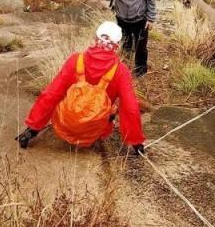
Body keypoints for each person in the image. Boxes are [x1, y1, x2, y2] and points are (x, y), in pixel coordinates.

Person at [15, 21, 145, 154]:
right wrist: (136, 142)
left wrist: (32, 129)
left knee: (59, 94)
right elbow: (130, 107)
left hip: (66, 125)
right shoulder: (121, 71)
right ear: (116, 46)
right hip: (95, 131)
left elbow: (51, 94)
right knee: (113, 108)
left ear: (95, 39)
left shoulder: (75, 60)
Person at [104, 0, 156, 77]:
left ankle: (140, 72)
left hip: (140, 19)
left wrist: (151, 19)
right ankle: (124, 68)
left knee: (141, 48)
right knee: (125, 45)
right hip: (121, 19)